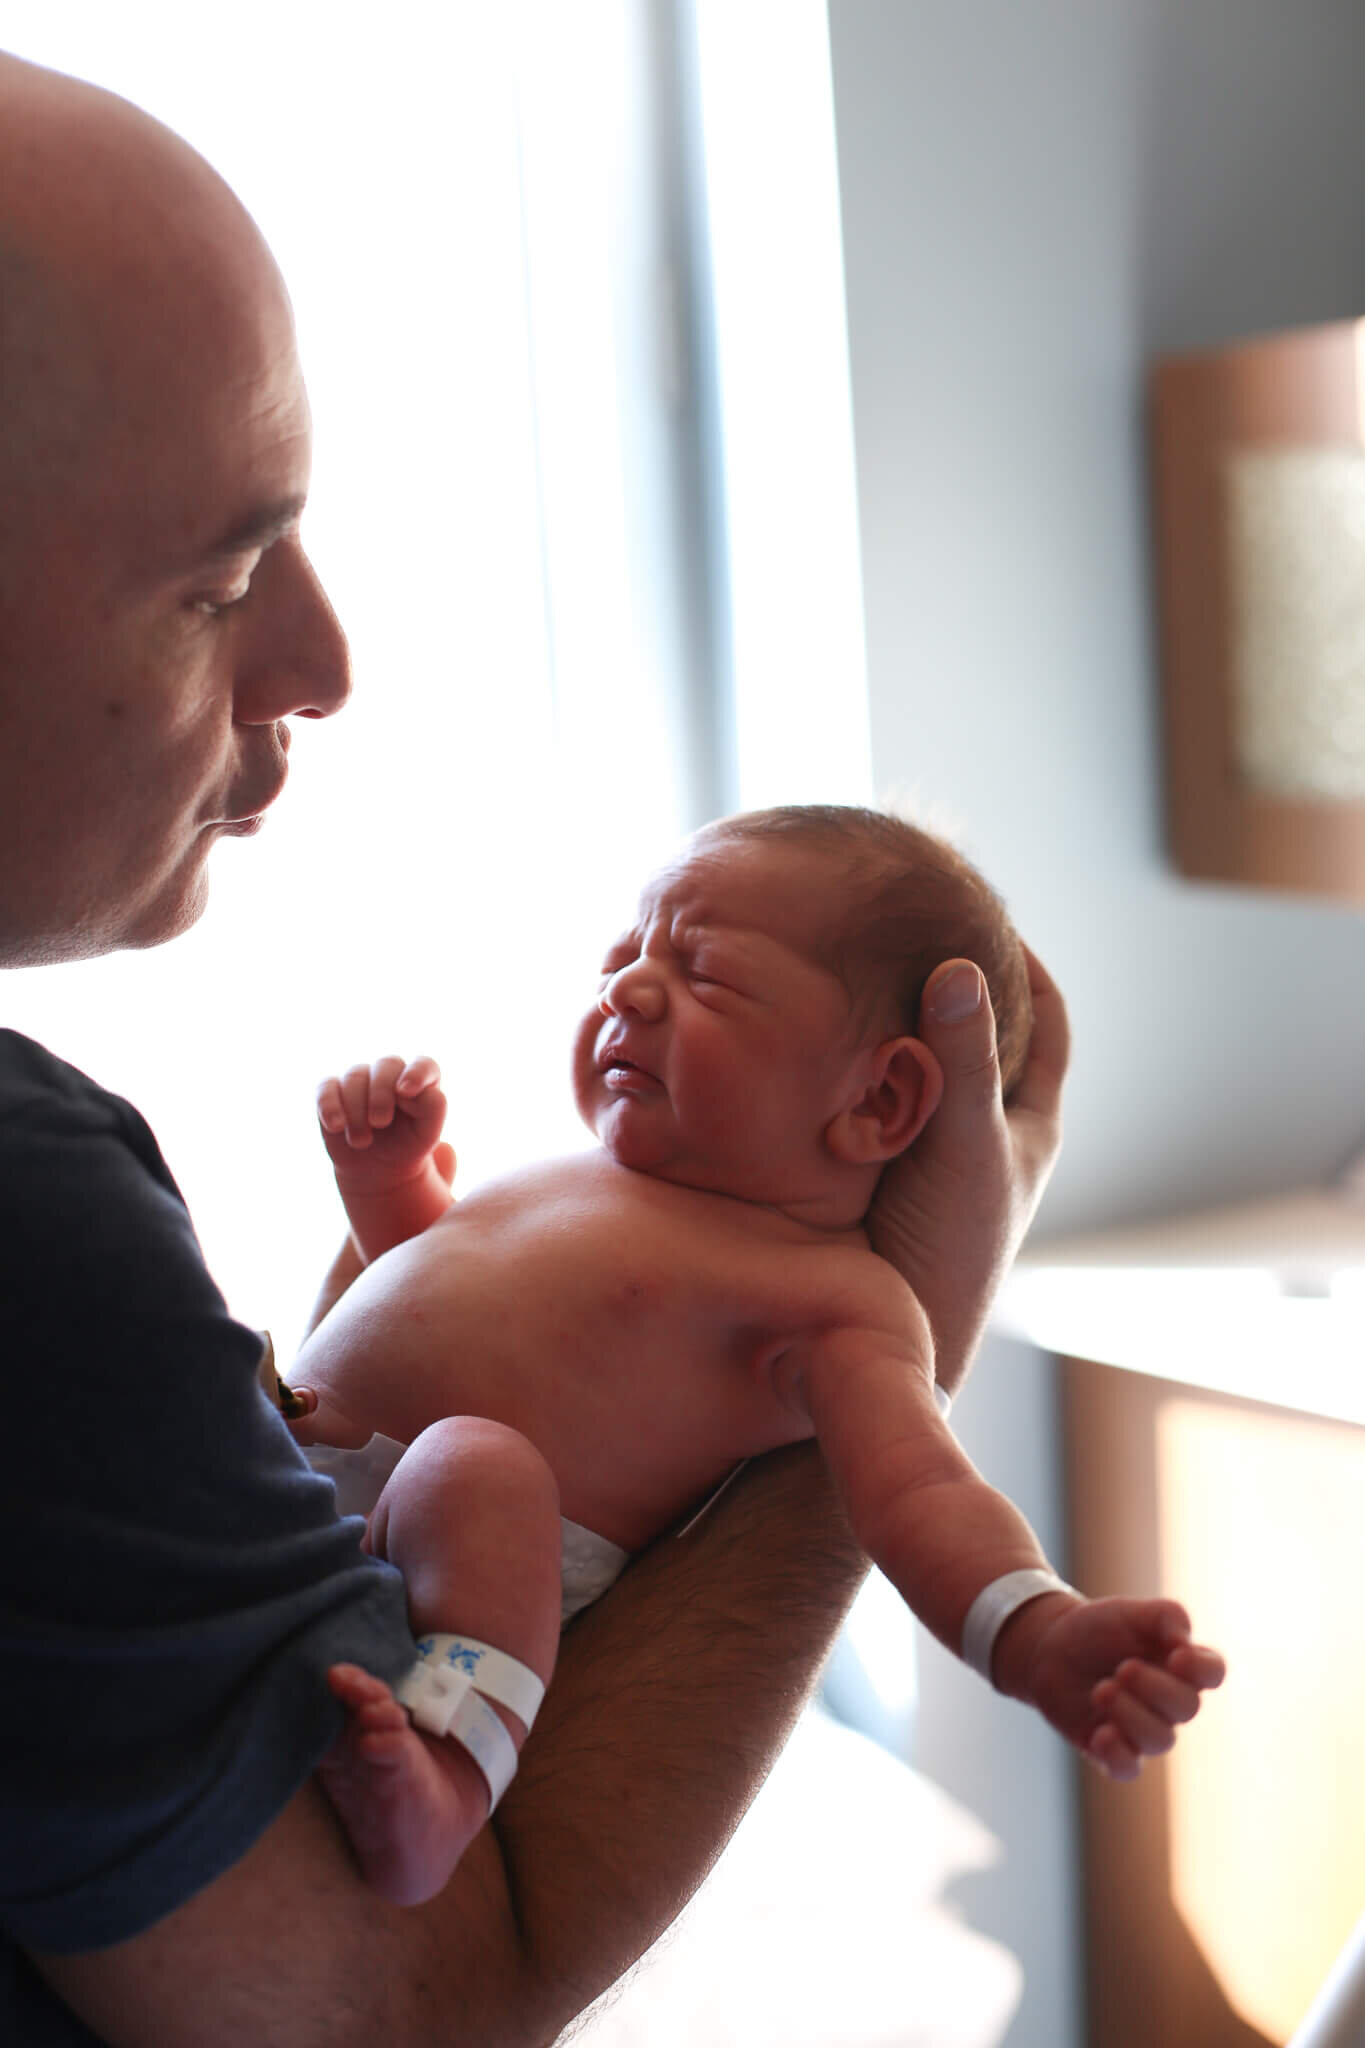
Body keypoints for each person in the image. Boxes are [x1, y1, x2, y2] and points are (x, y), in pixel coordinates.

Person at [0, 49, 1070, 2048]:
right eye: (222, 572)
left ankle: (461, 1738)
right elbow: (403, 2019)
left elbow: (926, 1508)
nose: (321, 658)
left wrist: (1013, 1597)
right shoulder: (30, 1228)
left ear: (877, 1089)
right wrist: (925, 1292)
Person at [285, 804, 1224, 1909]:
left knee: (475, 1466)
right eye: (623, 957)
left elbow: (919, 1488)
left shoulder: (834, 1295)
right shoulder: (576, 1172)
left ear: (878, 1098)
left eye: (705, 975)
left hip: (449, 1546)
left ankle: (446, 1776)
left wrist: (1034, 1626)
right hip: (292, 1476)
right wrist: (388, 1184)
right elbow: (432, 1287)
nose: (625, 991)